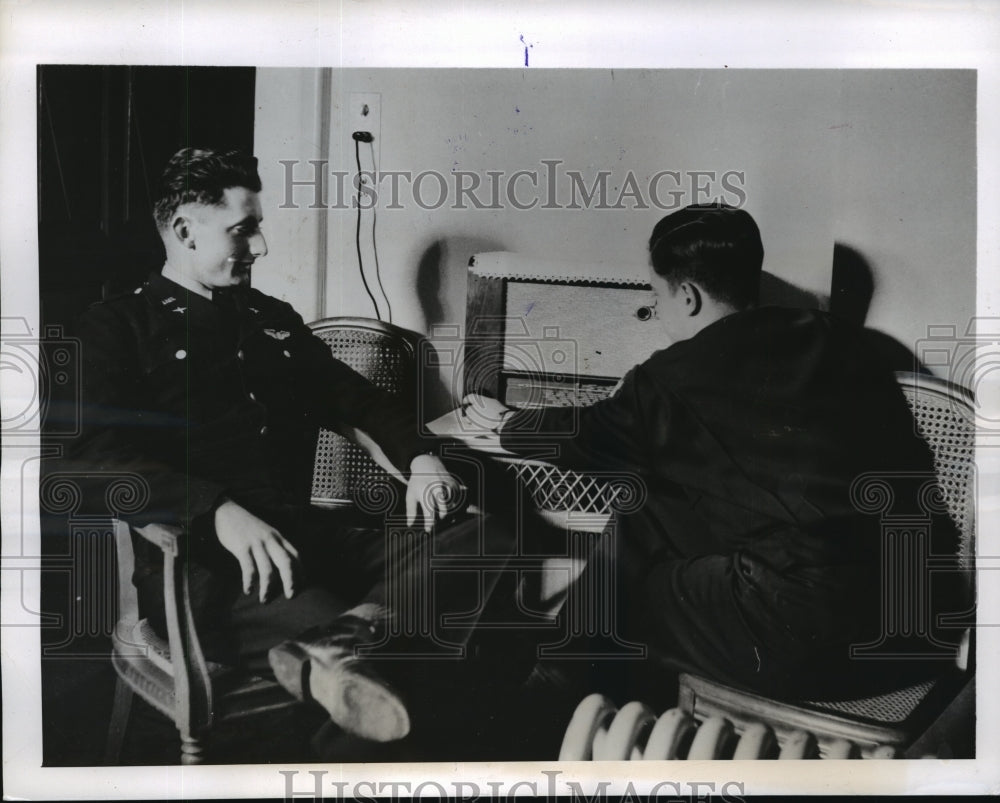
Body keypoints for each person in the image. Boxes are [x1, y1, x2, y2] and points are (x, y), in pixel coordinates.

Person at [464, 204, 967, 732]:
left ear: (687, 296)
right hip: (911, 623)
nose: (655, 309)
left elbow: (580, 438)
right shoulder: (840, 341)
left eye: (655, 296)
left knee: (624, 574)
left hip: (807, 642)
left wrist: (507, 423)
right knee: (654, 502)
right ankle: (570, 691)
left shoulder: (668, 378)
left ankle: (554, 704)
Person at [70, 147, 491, 746]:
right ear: (186, 232)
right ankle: (355, 685)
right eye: (244, 229)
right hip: (211, 574)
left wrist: (422, 459)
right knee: (409, 670)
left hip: (307, 536)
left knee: (478, 536)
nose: (261, 246)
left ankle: (342, 643)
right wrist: (215, 511)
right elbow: (90, 457)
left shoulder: (273, 320)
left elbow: (358, 401)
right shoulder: (118, 327)